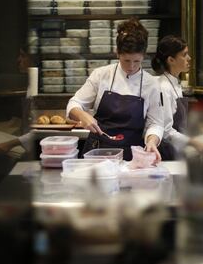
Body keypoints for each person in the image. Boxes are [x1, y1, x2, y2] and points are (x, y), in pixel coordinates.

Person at [66, 18, 164, 161]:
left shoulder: (151, 84)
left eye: (136, 61)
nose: (131, 67)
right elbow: (73, 104)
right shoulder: (101, 75)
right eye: (126, 61)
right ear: (117, 53)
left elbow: (156, 123)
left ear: (143, 56)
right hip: (97, 152)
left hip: (131, 156)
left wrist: (151, 141)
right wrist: (82, 115)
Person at [151, 35, 203, 160]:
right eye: (184, 55)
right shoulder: (164, 88)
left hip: (179, 148)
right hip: (168, 152)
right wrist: (195, 143)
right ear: (171, 60)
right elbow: (166, 131)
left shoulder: (175, 83)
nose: (189, 58)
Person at [0, 45, 37, 154]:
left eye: (23, 55)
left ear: (34, 59)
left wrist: (10, 144)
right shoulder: (32, 84)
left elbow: (44, 130)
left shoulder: (39, 87)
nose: (18, 60)